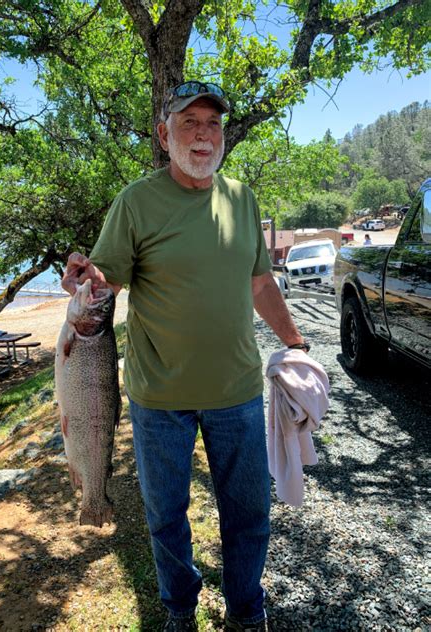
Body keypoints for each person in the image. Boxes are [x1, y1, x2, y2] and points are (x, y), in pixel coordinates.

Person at [62, 80, 309, 632]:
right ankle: (179, 610)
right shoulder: (135, 202)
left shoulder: (241, 198)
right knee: (167, 517)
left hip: (237, 392)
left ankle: (247, 609)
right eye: (189, 122)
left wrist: (294, 342)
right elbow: (105, 280)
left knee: (248, 514)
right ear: (164, 133)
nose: (203, 135)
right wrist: (86, 275)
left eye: (213, 124)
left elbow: (261, 283)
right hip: (159, 398)